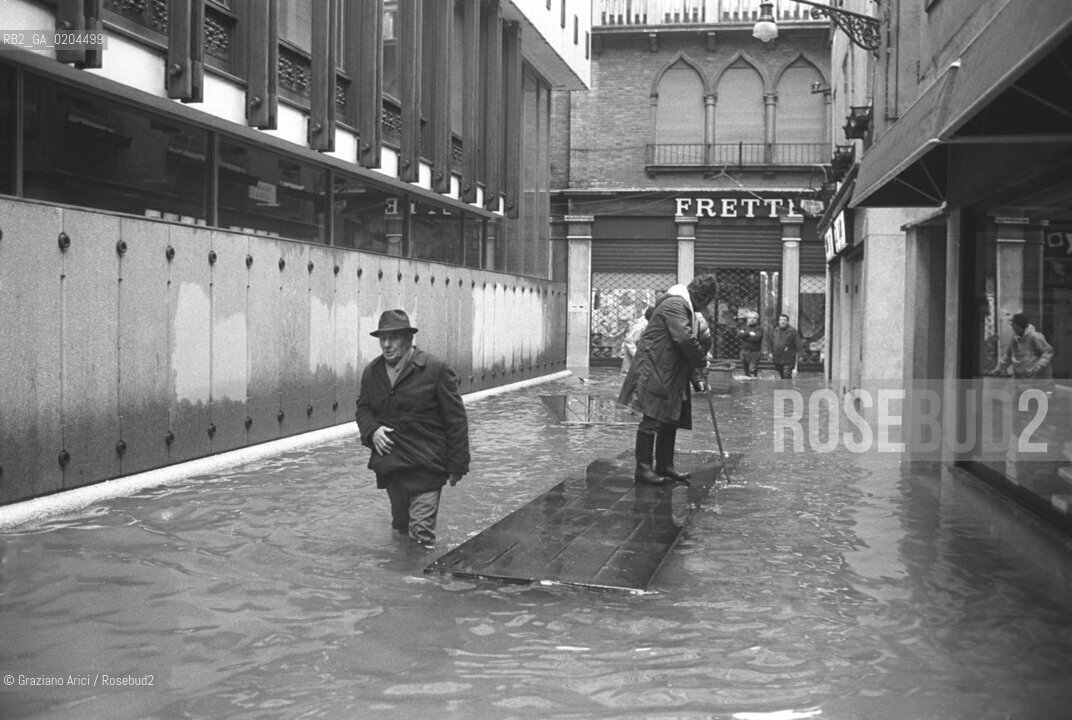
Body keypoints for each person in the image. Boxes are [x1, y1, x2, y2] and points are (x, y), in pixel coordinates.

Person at [355, 309, 470, 548]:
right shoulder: (372, 372)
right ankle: (403, 568)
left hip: (427, 466)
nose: (386, 345)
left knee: (420, 534)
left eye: (393, 338)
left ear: (408, 339)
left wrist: (457, 465)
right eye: (382, 338)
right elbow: (363, 410)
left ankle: (421, 569)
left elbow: (456, 420)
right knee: (401, 527)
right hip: (392, 467)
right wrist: (372, 430)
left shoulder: (436, 369)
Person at [618, 274, 718, 486]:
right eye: (707, 303)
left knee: (669, 418)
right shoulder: (675, 304)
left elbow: (687, 343)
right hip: (654, 368)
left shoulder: (685, 308)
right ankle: (643, 469)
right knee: (652, 418)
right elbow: (684, 338)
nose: (705, 308)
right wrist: (701, 362)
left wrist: (696, 376)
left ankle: (665, 465)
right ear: (702, 298)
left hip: (668, 369)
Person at [988, 312, 1055, 381]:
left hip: (1037, 378)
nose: (1012, 327)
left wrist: (1038, 366)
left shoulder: (1035, 336)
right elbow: (1008, 357)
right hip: (1022, 378)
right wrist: (998, 369)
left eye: (1014, 324)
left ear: (1017, 325)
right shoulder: (1014, 339)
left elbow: (1048, 352)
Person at [620, 305, 653, 375]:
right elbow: (629, 341)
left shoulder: (646, 324)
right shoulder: (641, 326)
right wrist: (638, 355)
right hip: (633, 364)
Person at [769, 313, 804, 379]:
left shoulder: (792, 331)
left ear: (787, 321)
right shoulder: (775, 330)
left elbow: (798, 343)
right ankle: (784, 384)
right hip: (778, 358)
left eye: (784, 320)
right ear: (779, 321)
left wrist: (800, 354)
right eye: (781, 320)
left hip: (788, 358)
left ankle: (787, 385)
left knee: (786, 374)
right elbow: (771, 342)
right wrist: (770, 352)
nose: (782, 321)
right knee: (781, 374)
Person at [736, 312, 764, 378]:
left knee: (752, 371)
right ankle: (747, 384)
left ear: (757, 319)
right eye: (750, 318)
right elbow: (739, 335)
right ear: (748, 319)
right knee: (746, 371)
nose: (752, 319)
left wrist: (744, 336)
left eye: (754, 318)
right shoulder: (744, 327)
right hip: (744, 352)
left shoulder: (759, 328)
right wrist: (749, 333)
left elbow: (756, 338)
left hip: (754, 353)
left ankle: (753, 383)